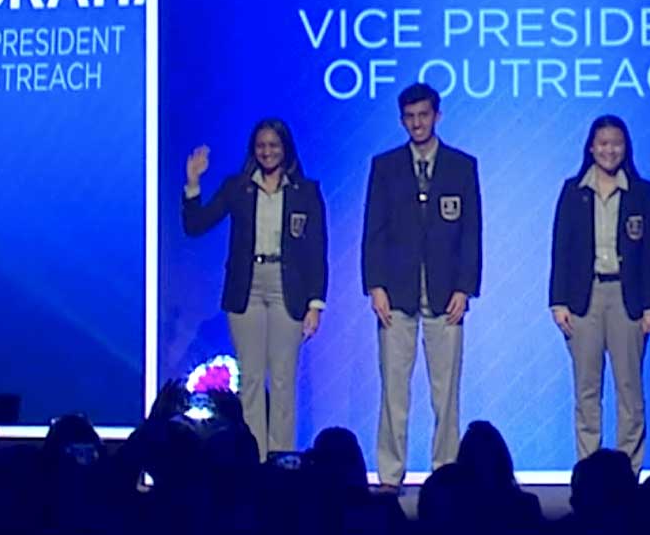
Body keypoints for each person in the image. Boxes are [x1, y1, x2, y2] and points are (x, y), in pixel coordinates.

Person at [181, 118, 328, 458]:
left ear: (286, 148)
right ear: (253, 150)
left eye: (274, 145)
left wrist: (315, 304)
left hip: (287, 288)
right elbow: (196, 224)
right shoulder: (238, 187)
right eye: (261, 145)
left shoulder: (306, 191)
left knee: (282, 380)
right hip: (246, 288)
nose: (267, 151)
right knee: (249, 381)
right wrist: (192, 182)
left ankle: (281, 462)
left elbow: (317, 250)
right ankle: (253, 461)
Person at [362, 82, 482, 489]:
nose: (417, 123)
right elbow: (373, 231)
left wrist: (465, 289)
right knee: (394, 392)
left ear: (437, 116)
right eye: (410, 117)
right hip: (395, 295)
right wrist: (374, 285)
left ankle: (446, 472)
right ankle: (390, 476)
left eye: (424, 115)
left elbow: (471, 233)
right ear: (402, 120)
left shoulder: (462, 166)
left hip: (447, 296)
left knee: (445, 393)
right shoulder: (385, 166)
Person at [549, 115, 650, 469]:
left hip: (627, 301)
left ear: (625, 147)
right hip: (585, 299)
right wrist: (557, 301)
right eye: (602, 143)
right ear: (591, 147)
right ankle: (588, 469)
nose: (609, 150)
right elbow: (560, 248)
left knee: (630, 392)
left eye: (616, 143)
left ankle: (628, 472)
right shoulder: (573, 190)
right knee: (587, 391)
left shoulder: (642, 192)